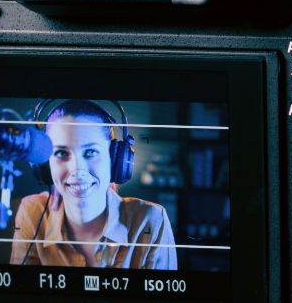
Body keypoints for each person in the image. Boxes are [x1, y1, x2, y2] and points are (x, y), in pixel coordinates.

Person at [10, 99, 177, 270]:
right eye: (61, 153)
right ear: (45, 164)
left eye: (90, 152)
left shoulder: (151, 220)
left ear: (114, 160)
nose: (76, 169)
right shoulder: (32, 212)